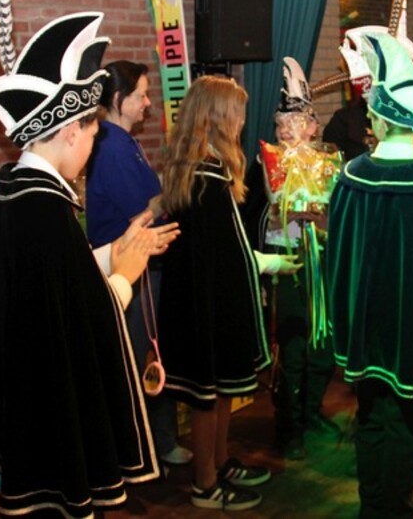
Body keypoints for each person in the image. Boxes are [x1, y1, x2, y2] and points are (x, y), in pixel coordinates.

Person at [0, 13, 180, 516]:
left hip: (30, 378)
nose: (91, 149)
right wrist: (125, 275)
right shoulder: (43, 203)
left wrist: (116, 249)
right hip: (51, 391)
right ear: (69, 131)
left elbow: (61, 274)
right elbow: (85, 315)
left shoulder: (14, 186)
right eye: (91, 135)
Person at [157, 75, 300, 511]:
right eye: (236, 113)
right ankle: (205, 484)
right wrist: (269, 263)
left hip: (205, 300)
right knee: (207, 393)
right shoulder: (207, 176)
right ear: (217, 117)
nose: (241, 122)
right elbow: (225, 253)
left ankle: (218, 463)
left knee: (219, 391)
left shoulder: (203, 168)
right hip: (207, 306)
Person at [326, 28, 413, 518]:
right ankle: (397, 509)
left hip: (365, 327)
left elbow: (339, 260)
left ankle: (372, 508)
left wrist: (343, 326)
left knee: (371, 416)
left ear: (377, 118)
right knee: (407, 425)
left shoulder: (352, 176)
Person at [85, 59, 193, 467]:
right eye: (141, 96)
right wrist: (179, 186)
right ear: (118, 99)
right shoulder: (112, 146)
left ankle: (155, 444)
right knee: (136, 358)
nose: (148, 103)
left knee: (149, 354)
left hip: (143, 265)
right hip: (128, 267)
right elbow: (141, 213)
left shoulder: (122, 141)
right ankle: (138, 451)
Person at [243, 57, 339, 461]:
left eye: (295, 123)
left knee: (323, 345)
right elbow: (251, 214)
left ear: (313, 127)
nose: (286, 131)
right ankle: (289, 426)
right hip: (285, 262)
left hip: (321, 261)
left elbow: (339, 215)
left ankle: (312, 410)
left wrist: (322, 219)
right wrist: (279, 214)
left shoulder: (330, 163)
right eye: (281, 124)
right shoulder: (263, 163)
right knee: (293, 345)